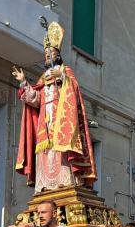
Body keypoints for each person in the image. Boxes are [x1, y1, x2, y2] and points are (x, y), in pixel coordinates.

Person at [12, 21, 97, 192]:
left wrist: (62, 76)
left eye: (51, 53)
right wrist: (23, 82)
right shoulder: (43, 78)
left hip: (62, 121)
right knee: (46, 152)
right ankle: (45, 186)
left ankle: (64, 183)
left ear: (57, 55)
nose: (48, 57)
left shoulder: (66, 72)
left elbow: (73, 91)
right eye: (46, 54)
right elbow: (35, 99)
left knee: (61, 151)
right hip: (45, 122)